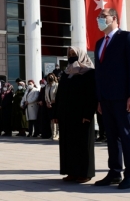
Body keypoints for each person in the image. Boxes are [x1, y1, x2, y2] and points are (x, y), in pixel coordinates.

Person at [93, 8, 130, 190]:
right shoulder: (99, 43)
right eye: (98, 17)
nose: (99, 20)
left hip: (123, 97)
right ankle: (114, 172)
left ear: (114, 18)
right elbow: (99, 73)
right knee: (112, 137)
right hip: (105, 99)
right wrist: (99, 99)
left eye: (102, 17)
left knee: (126, 135)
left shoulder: (126, 38)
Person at [53, 46, 97, 184]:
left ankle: (85, 173)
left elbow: (92, 95)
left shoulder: (89, 73)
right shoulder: (66, 73)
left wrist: (88, 113)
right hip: (66, 116)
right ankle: (71, 172)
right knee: (68, 144)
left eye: (74, 54)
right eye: (70, 54)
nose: (72, 56)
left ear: (81, 55)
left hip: (82, 115)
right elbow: (59, 95)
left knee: (83, 144)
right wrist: (56, 114)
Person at [45, 73, 59, 140]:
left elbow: (58, 94)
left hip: (55, 104)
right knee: (51, 120)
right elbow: (46, 95)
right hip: (49, 105)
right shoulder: (47, 86)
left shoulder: (56, 85)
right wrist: (47, 102)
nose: (50, 77)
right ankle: (52, 134)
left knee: (55, 120)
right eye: (49, 76)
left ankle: (57, 134)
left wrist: (54, 100)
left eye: (51, 76)